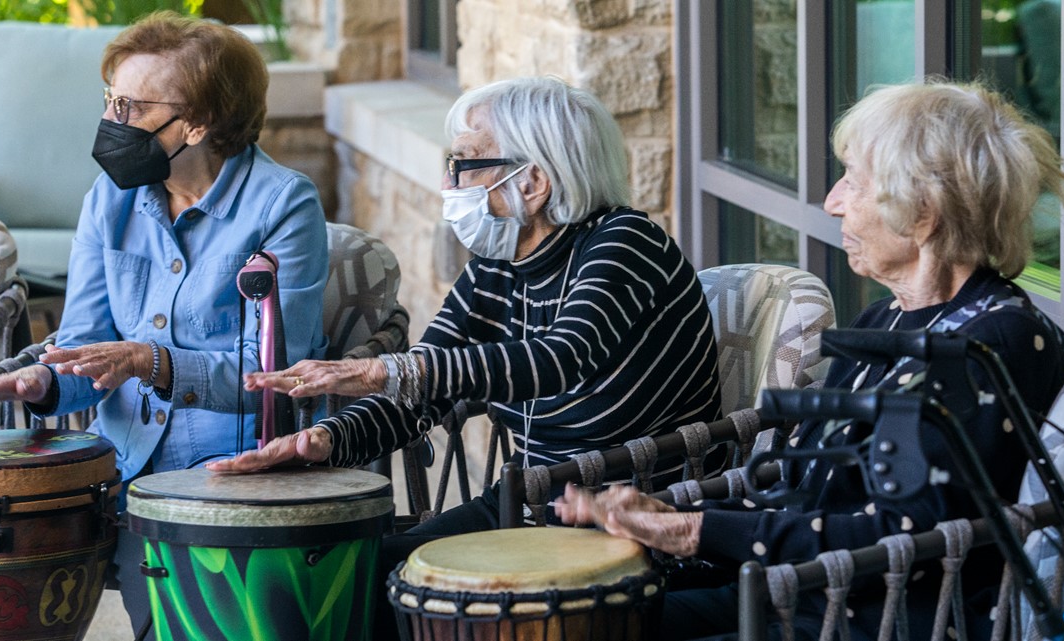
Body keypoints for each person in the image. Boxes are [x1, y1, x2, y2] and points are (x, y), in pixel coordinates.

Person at [557, 80, 1064, 641]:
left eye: (853, 180)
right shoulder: (887, 320)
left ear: (922, 213)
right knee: (579, 621)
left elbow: (898, 541)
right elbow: (812, 488)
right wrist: (667, 516)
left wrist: (694, 531)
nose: (831, 201)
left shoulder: (986, 348)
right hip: (795, 591)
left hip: (872, 622)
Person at [208, 76, 723, 638]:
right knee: (344, 581)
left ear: (533, 182)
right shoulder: (498, 261)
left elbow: (561, 356)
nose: (449, 181)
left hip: (635, 522)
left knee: (402, 603)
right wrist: (323, 442)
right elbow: (425, 391)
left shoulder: (625, 242)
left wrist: (387, 369)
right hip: (532, 506)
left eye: (466, 162)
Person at [0, 12, 328, 640]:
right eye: (110, 100)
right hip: (124, 472)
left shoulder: (283, 206)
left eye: (131, 106)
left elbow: (276, 380)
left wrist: (148, 362)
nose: (112, 122)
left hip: (235, 475)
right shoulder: (111, 198)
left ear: (198, 123)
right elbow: (85, 344)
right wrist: (43, 384)